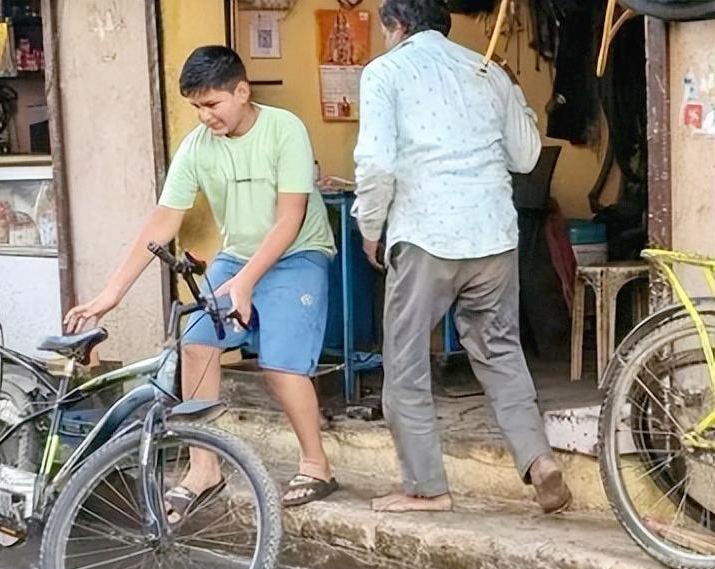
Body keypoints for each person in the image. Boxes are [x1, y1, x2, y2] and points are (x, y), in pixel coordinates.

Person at [65, 45, 339, 515]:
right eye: (196, 107)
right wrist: (109, 295)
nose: (204, 116)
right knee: (196, 346)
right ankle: (204, 468)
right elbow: (161, 223)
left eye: (212, 105)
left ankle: (317, 466)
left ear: (241, 91)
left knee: (280, 367)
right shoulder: (196, 146)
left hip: (297, 254)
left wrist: (247, 282)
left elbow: (290, 218)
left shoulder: (284, 130)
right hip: (236, 257)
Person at [352, 0, 572, 514]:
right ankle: (538, 461)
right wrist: (515, 92)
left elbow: (377, 162)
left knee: (405, 363)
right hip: (494, 235)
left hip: (427, 234)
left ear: (397, 25)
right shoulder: (488, 71)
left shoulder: (385, 72)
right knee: (500, 353)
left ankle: (426, 487)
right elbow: (526, 156)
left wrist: (369, 226)